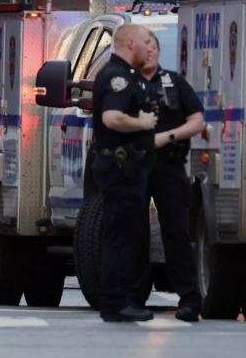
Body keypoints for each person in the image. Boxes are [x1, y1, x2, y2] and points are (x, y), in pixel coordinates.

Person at [91, 24, 159, 322]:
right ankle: (115, 302)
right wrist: (142, 124)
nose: (149, 47)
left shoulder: (128, 75)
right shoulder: (117, 76)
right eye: (145, 41)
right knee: (120, 236)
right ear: (131, 43)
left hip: (126, 168)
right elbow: (112, 117)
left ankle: (124, 300)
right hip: (120, 168)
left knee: (128, 235)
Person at [138, 31, 205, 322]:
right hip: (135, 167)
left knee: (176, 233)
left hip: (169, 166)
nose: (150, 51)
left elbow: (197, 120)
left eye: (153, 46)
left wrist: (170, 136)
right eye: (144, 47)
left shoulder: (174, 83)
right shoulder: (123, 83)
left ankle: (189, 299)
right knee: (132, 233)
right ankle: (132, 298)